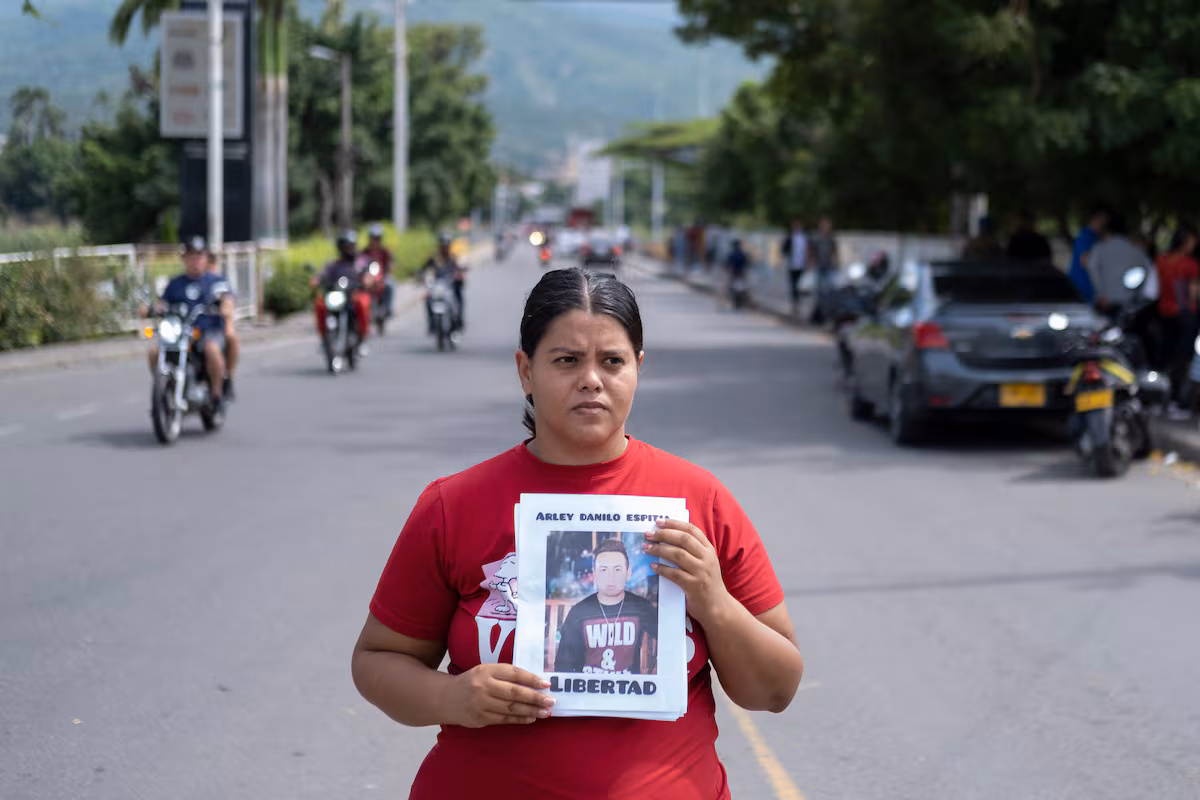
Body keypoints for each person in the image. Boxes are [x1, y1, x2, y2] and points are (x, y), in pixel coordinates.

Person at [351, 267, 803, 800]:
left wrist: (715, 602)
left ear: (638, 368)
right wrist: (450, 698)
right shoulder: (454, 505)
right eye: (566, 360)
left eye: (612, 361)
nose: (592, 379)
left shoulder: (699, 502)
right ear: (525, 370)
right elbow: (377, 660)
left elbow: (774, 690)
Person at [149, 236, 233, 410]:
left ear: (205, 258)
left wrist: (225, 307)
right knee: (154, 352)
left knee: (212, 349)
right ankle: (164, 387)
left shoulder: (215, 281)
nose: (195, 259)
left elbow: (227, 299)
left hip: (208, 332)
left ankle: (217, 395)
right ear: (184, 258)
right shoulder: (175, 284)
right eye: (191, 255)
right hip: (181, 333)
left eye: (199, 255)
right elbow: (163, 303)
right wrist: (152, 309)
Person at [553, 537, 658, 675]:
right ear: (595, 574)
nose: (611, 577)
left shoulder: (640, 607)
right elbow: (563, 666)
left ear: (628, 572)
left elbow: (669, 638)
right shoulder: (579, 612)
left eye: (617, 569)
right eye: (603, 570)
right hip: (586, 690)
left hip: (629, 691)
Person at [1155, 226, 1199, 417]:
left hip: (1164, 313)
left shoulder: (1161, 261)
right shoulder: (1190, 264)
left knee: (1167, 357)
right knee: (1183, 360)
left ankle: (1163, 399)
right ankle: (1178, 402)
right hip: (1185, 316)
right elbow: (1193, 293)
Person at [1087, 212, 1159, 320]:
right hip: (1131, 304)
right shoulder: (1136, 250)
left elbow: (1092, 267)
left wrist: (1101, 293)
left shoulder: (1100, 248)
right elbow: (1146, 272)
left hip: (1107, 303)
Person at [313, 230, 372, 345]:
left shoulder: (360, 263)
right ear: (340, 248)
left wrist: (367, 280)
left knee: (363, 303)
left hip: (354, 296)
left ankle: (363, 335)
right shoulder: (334, 265)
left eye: (350, 246)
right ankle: (324, 336)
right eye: (346, 247)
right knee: (319, 303)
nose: (349, 249)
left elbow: (368, 276)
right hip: (337, 296)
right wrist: (317, 280)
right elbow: (323, 275)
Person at [204, 249, 239, 400]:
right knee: (154, 349)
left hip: (213, 329)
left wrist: (227, 316)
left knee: (230, 338)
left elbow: (227, 302)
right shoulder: (184, 282)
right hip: (189, 330)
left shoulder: (219, 283)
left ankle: (225, 381)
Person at [422, 233, 464, 333]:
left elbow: (460, 269)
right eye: (443, 246)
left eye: (446, 245)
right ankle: (432, 323)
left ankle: (458, 320)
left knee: (458, 298)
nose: (444, 248)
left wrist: (459, 275)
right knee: (428, 299)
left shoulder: (453, 259)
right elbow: (424, 269)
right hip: (438, 287)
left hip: (450, 287)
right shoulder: (434, 259)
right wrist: (420, 275)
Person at [1069, 205, 1108, 303]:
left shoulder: (1096, 237)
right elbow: (1085, 261)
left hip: (1086, 288)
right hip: (1083, 287)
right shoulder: (1086, 236)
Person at [361, 223, 395, 319]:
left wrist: (389, 270)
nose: (375, 240)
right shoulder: (365, 252)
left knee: (390, 284)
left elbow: (390, 263)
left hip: (382, 276)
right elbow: (359, 263)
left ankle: (389, 309)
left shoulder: (385, 251)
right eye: (373, 238)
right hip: (368, 277)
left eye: (377, 238)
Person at [810, 216, 839, 324]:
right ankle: (819, 314)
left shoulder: (831, 238)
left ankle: (828, 313)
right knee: (820, 291)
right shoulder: (816, 237)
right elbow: (812, 251)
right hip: (819, 266)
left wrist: (837, 262)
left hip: (829, 266)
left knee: (830, 289)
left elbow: (835, 252)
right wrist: (811, 262)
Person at [780, 218, 809, 317]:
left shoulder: (804, 238)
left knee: (802, 286)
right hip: (792, 265)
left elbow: (808, 250)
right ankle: (795, 305)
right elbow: (783, 250)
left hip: (802, 265)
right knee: (793, 285)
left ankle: (800, 304)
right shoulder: (790, 238)